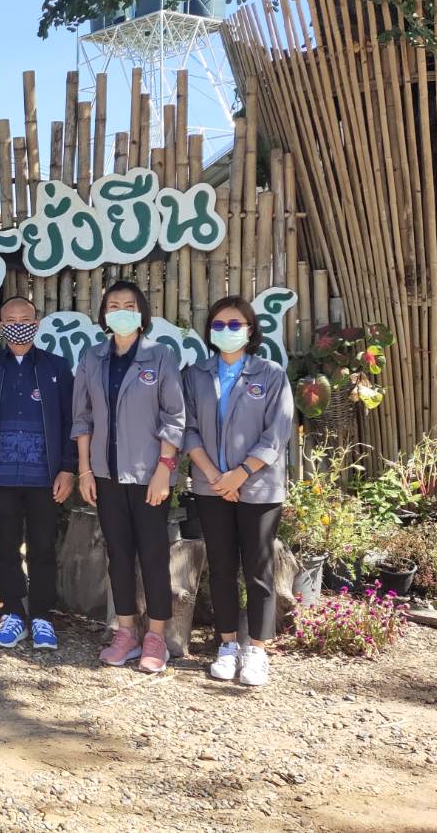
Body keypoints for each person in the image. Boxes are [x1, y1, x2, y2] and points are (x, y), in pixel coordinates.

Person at [71, 280, 185, 673]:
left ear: (141, 313)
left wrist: (164, 470)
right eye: (114, 305)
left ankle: (156, 637)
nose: (121, 311)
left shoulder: (160, 356)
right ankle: (125, 632)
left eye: (129, 305)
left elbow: (175, 417)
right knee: (118, 555)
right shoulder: (92, 358)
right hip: (105, 474)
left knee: (153, 555)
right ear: (105, 314)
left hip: (149, 476)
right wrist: (85, 469)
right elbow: (82, 417)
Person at [182, 296, 294, 687]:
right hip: (211, 486)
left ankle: (257, 650)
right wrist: (216, 476)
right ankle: (227, 645)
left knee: (259, 570)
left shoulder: (271, 374)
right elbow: (188, 428)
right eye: (218, 325)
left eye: (235, 324)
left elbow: (277, 432)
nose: (226, 331)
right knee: (222, 568)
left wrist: (240, 474)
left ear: (250, 330)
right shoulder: (195, 375)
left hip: (259, 487)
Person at [0, 296, 75, 651]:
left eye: (25, 319)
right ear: (0, 326)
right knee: (7, 546)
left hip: (46, 476)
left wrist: (68, 468)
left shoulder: (57, 368)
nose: (18, 325)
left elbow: (71, 422)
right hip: (0, 476)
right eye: (10, 320)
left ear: (36, 323)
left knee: (43, 545)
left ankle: (42, 616)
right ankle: (13, 612)